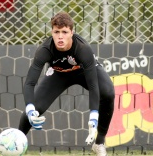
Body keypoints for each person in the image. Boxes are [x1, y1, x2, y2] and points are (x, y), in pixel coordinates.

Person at [18, 12, 115, 156]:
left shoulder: (83, 49)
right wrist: (30, 108)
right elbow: (29, 83)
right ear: (52, 32)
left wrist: (94, 115)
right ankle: (16, 142)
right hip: (59, 73)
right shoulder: (45, 50)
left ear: (72, 33)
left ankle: (99, 143)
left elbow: (93, 85)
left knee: (108, 92)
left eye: (64, 32)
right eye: (56, 32)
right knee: (35, 108)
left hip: (83, 72)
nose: (60, 36)